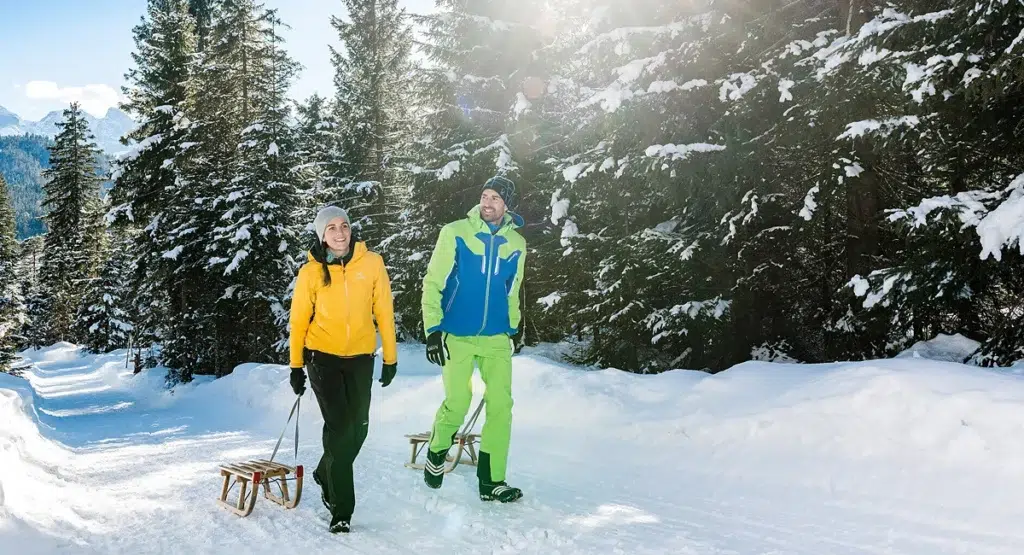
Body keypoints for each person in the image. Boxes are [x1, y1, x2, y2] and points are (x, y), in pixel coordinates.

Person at [288, 205, 398, 533]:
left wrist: (390, 358)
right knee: (338, 429)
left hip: (361, 358)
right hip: (322, 358)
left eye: (344, 226)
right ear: (322, 235)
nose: (339, 233)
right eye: (331, 228)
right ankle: (341, 509)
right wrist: (296, 366)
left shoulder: (372, 263)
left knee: (359, 429)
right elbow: (298, 321)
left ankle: (325, 471)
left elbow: (385, 312)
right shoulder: (310, 273)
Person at [420, 176, 527, 503]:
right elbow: (433, 281)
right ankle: (438, 448)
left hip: (496, 337)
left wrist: (514, 328)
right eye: (485, 195)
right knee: (458, 402)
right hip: (458, 335)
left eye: (495, 198)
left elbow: (512, 290)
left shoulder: (517, 244)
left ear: (506, 205)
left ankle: (492, 481)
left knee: (501, 406)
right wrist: (433, 330)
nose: (488, 203)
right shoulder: (454, 233)